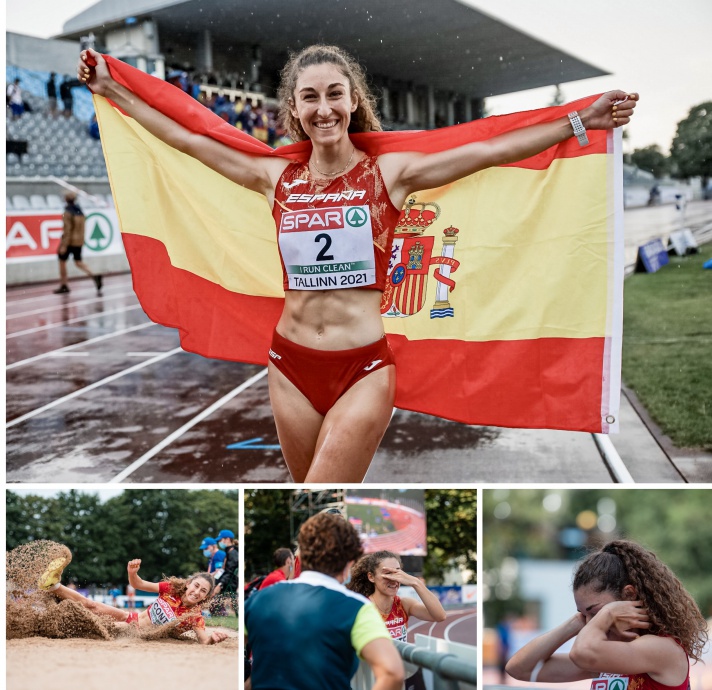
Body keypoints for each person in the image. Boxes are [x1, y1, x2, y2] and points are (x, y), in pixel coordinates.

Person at [77, 46, 638, 483]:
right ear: (294, 110)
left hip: (363, 369)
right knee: (312, 503)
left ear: (352, 101)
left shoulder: (389, 176)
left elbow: (491, 151)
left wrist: (579, 122)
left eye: (335, 95)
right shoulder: (275, 179)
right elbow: (186, 139)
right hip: (289, 364)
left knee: (319, 502)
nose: (324, 108)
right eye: (310, 97)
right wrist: (111, 90)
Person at [505, 540, 708, 687]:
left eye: (595, 611)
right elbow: (519, 668)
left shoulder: (662, 648)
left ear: (629, 595)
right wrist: (575, 623)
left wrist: (608, 614)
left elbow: (581, 652)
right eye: (584, 614)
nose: (589, 622)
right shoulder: (610, 656)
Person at [245, 512, 404, 690]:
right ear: (350, 562)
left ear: (301, 556)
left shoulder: (259, 599)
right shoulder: (357, 608)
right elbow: (393, 673)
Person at [38, 553, 229, 645]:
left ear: (205, 596)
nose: (197, 592)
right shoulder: (171, 589)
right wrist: (132, 572)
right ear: (188, 584)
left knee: (93, 625)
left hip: (136, 633)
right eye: (196, 586)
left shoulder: (194, 616)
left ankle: (43, 625)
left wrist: (214, 638)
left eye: (203, 591)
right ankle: (53, 586)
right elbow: (139, 584)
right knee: (92, 605)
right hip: (132, 619)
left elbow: (203, 640)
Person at [348, 551, 446, 641]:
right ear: (371, 577)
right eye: (387, 573)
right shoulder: (362, 608)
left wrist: (416, 582)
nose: (394, 579)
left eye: (397, 572)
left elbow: (440, 616)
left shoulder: (404, 604)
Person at [53, 191, 103, 294]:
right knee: (78, 262)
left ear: (66, 200)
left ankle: (64, 284)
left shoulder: (67, 213)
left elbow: (67, 230)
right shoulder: (80, 212)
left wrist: (64, 245)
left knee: (62, 262)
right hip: (79, 241)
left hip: (70, 241)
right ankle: (93, 275)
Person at [213, 529, 238, 613]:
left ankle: (218, 611)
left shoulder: (233, 553)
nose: (219, 542)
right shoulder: (229, 552)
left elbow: (229, 572)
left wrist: (220, 584)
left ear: (227, 539)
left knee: (212, 586)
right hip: (226, 580)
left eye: (220, 540)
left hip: (230, 582)